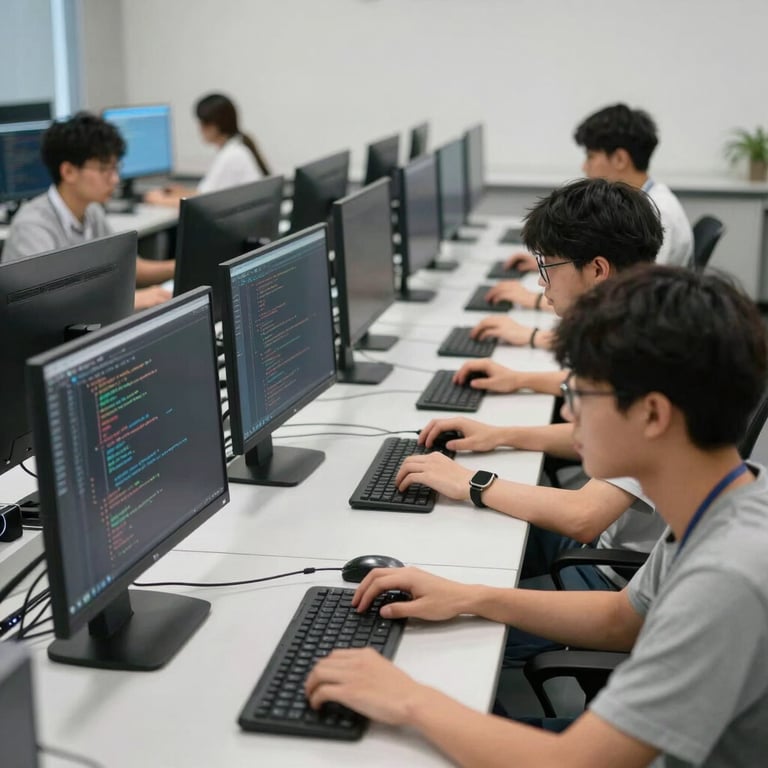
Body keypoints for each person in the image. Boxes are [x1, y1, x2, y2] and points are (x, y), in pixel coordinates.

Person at [306, 265, 768, 767]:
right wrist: (468, 597)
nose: (569, 415)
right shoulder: (728, 496)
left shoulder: (728, 576)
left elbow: (573, 763)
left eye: (582, 395)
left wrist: (408, 699)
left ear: (653, 414)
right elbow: (622, 619)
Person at [416, 179, 664, 606]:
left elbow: (584, 517)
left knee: (435, 599)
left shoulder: (648, 362)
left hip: (608, 580)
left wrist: (471, 482)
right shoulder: (644, 324)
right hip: (605, 547)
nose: (542, 287)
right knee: (440, 541)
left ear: (598, 270)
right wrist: (500, 435)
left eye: (549, 268)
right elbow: (608, 440)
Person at [485, 103, 693, 327]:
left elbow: (627, 297)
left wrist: (533, 302)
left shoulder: (659, 213)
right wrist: (556, 260)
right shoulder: (643, 202)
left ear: (620, 159)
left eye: (591, 156)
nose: (585, 167)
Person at [1, 113, 172, 310]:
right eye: (104, 169)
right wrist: (132, 299)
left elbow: (129, 266)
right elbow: (47, 304)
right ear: (69, 172)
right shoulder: (32, 226)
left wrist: (175, 267)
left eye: (116, 168)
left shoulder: (92, 211)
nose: (115, 179)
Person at [145, 93, 271, 206]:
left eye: (202, 123)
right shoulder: (237, 145)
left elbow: (203, 203)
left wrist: (157, 199)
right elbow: (207, 194)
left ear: (215, 125)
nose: (199, 129)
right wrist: (183, 192)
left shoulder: (232, 155)